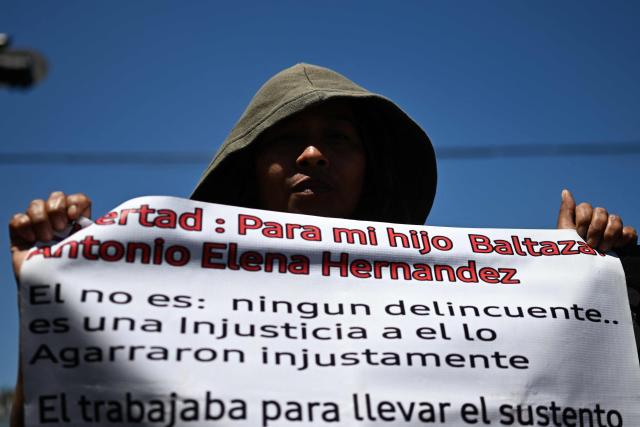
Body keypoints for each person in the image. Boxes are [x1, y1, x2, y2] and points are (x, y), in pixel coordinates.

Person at [8, 63, 638, 425]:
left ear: (370, 168)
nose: (312, 153)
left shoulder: (452, 304)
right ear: (250, 168)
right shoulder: (170, 307)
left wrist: (582, 294)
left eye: (337, 138)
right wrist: (50, 303)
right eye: (286, 140)